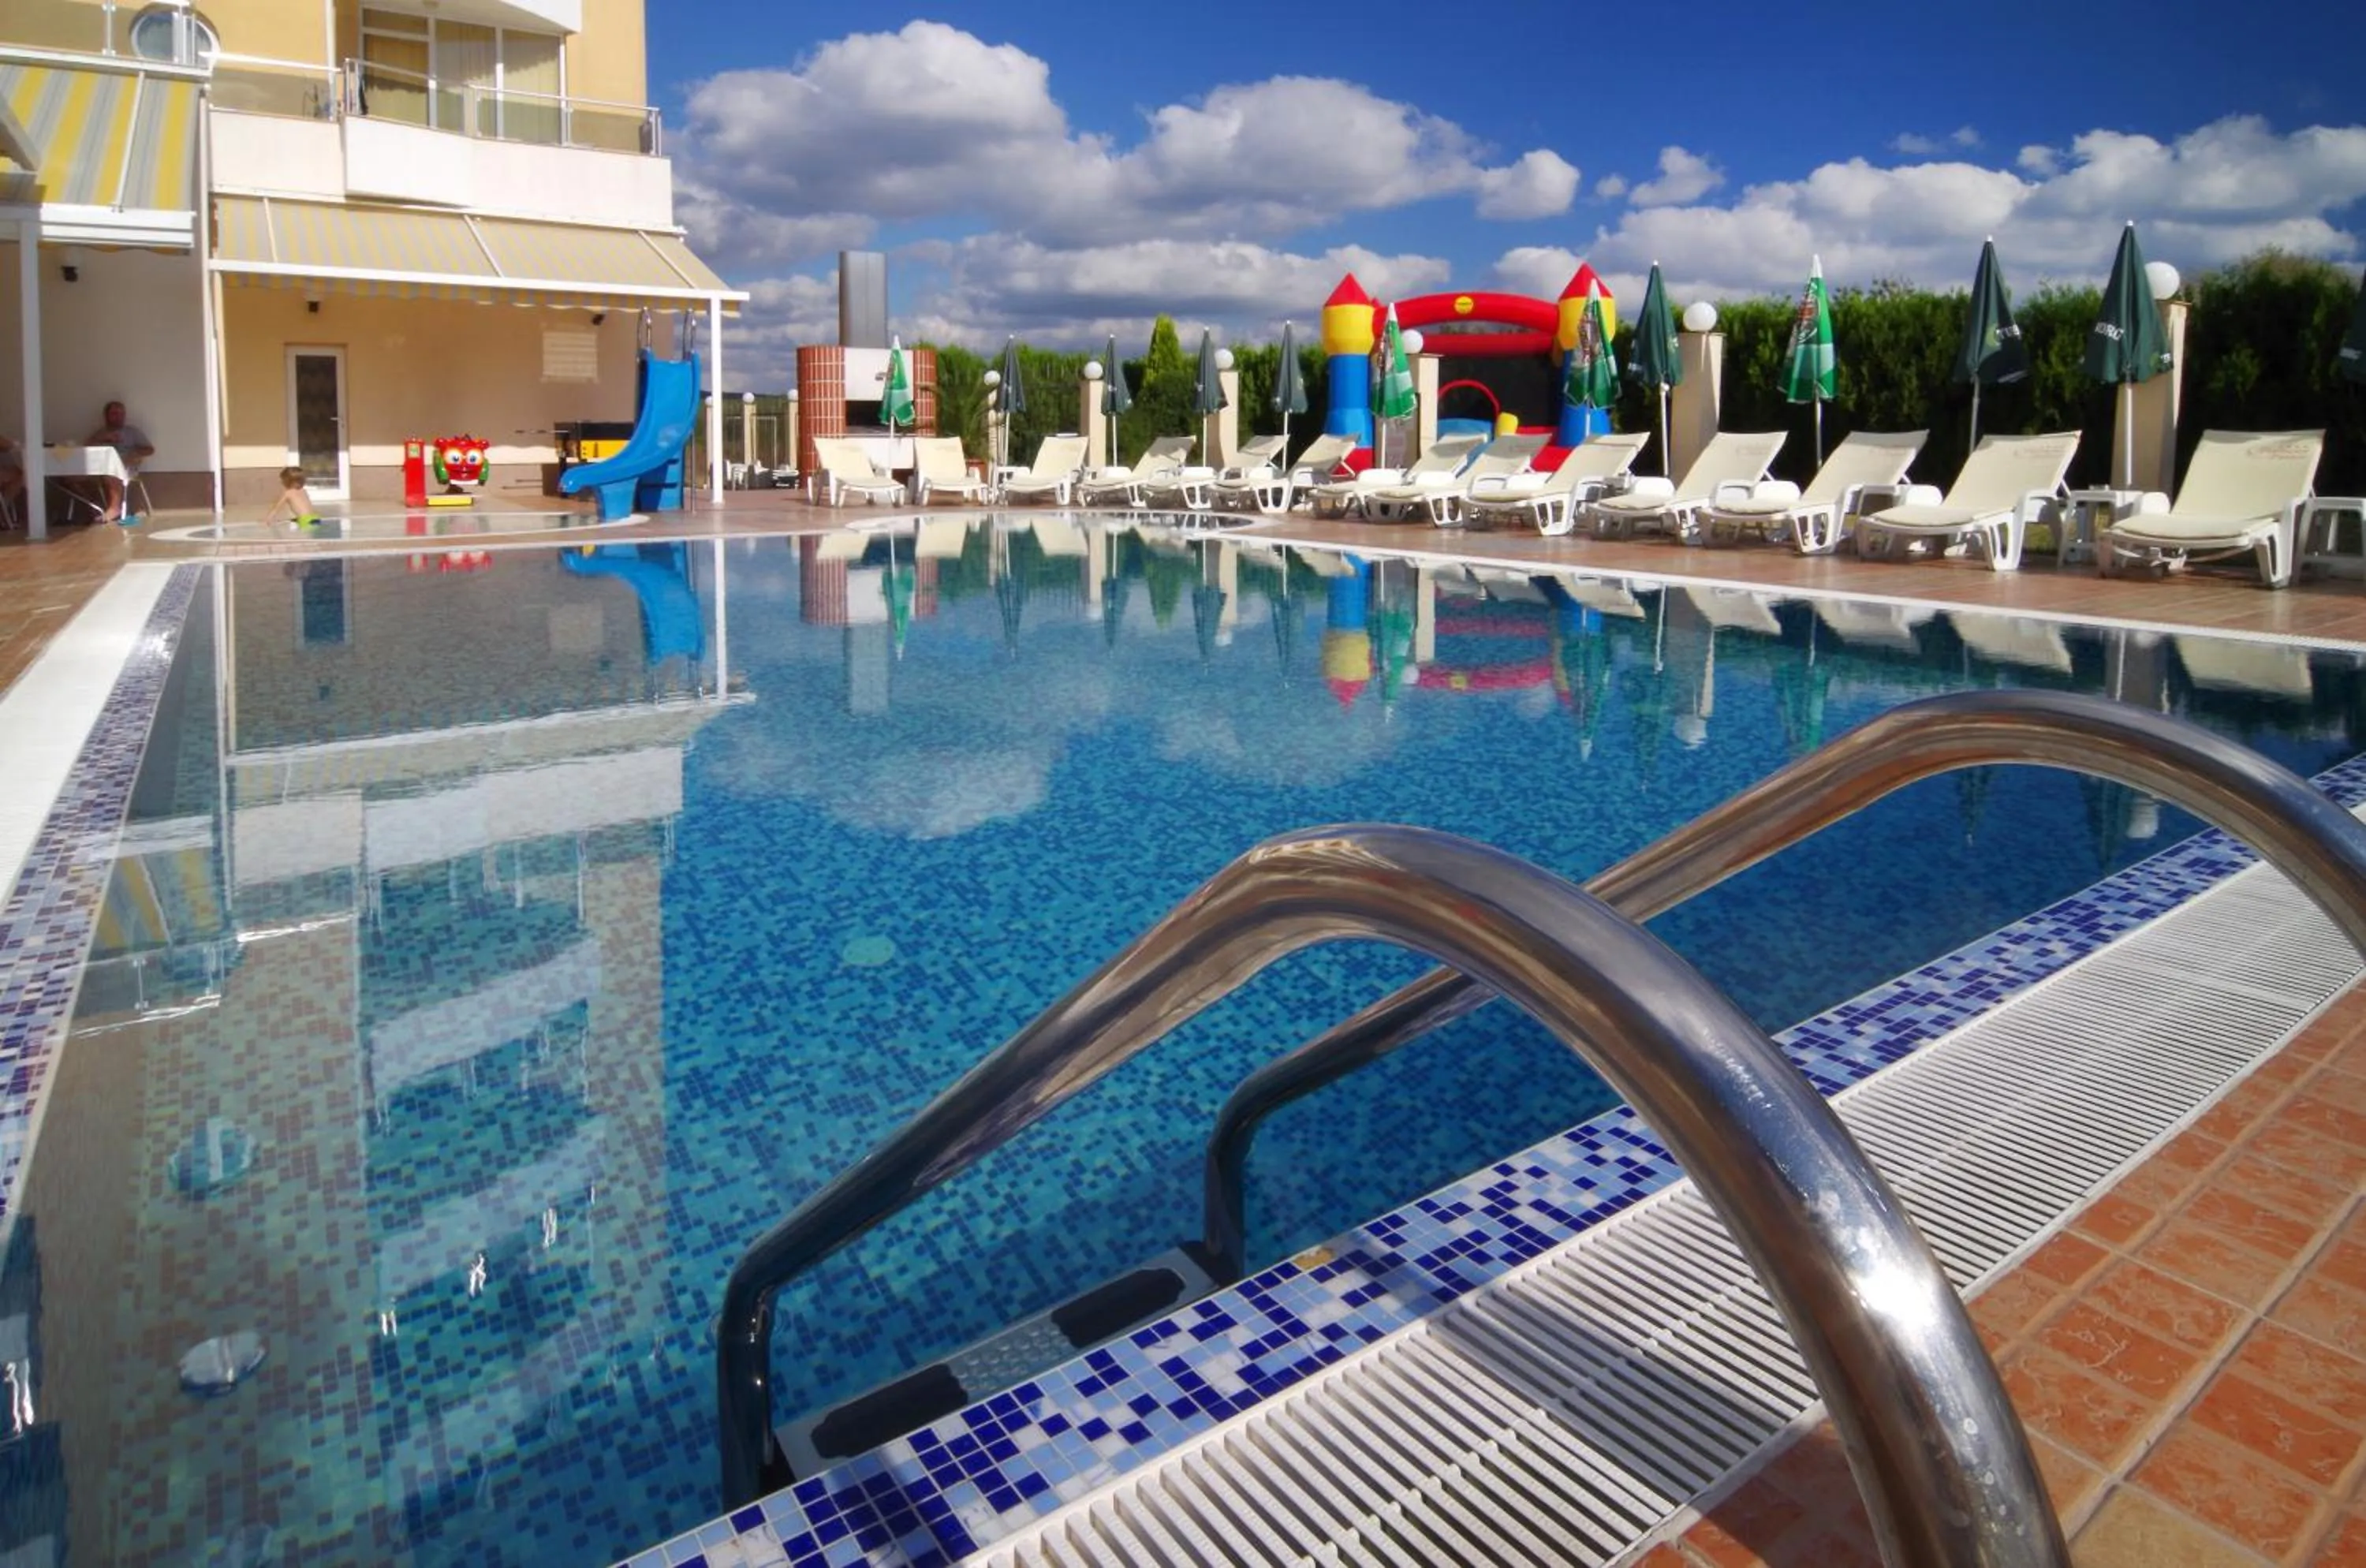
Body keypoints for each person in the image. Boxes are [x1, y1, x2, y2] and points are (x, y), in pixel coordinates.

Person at [85, 401, 155, 523]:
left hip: (126, 466)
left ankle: (115, 508)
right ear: (106, 416)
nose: (119, 417)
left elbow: (150, 450)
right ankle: (95, 508)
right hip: (99, 467)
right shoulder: (101, 433)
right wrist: (103, 438)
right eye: (114, 414)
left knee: (112, 467)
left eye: (122, 414)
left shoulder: (132, 432)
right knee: (73, 478)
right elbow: (86, 448)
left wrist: (133, 453)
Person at [261, 465, 321, 529]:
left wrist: (268, 519)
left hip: (305, 520)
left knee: (305, 533)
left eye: (282, 480)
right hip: (315, 519)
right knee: (313, 532)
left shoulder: (288, 493)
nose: (281, 482)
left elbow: (276, 508)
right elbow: (305, 508)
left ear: (287, 481)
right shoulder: (303, 491)